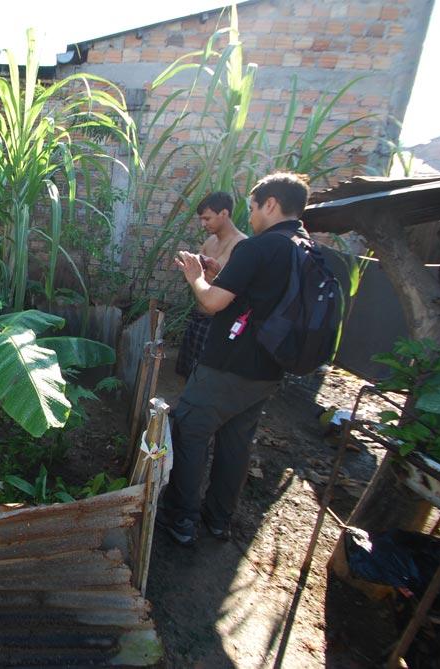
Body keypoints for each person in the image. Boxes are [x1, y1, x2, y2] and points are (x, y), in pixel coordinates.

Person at [159, 172, 311, 546]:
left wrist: (196, 276)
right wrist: (218, 274)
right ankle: (218, 520)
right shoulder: (306, 249)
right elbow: (259, 297)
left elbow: (211, 304)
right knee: (234, 442)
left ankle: (181, 519)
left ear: (271, 204)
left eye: (254, 207)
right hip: (268, 371)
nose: (253, 215)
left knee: (190, 431)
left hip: (228, 366)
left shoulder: (258, 247)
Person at [174, 191, 247, 379]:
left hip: (221, 323)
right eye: (201, 219)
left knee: (206, 376)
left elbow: (236, 291)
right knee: (188, 373)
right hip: (199, 316)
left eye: (207, 218)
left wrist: (213, 274)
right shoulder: (210, 241)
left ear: (224, 213)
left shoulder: (241, 246)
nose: (203, 224)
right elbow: (194, 277)